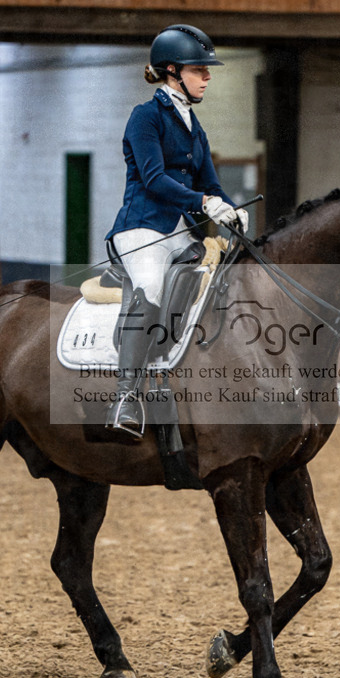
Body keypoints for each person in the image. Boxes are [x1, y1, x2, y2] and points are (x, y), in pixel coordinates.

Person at [103, 24, 248, 441]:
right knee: (149, 286)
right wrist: (203, 203)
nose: (207, 76)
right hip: (142, 229)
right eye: (199, 69)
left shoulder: (193, 123)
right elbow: (153, 178)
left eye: (207, 70)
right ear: (172, 71)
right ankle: (125, 398)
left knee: (217, 281)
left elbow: (211, 182)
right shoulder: (145, 117)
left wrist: (229, 209)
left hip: (183, 233)